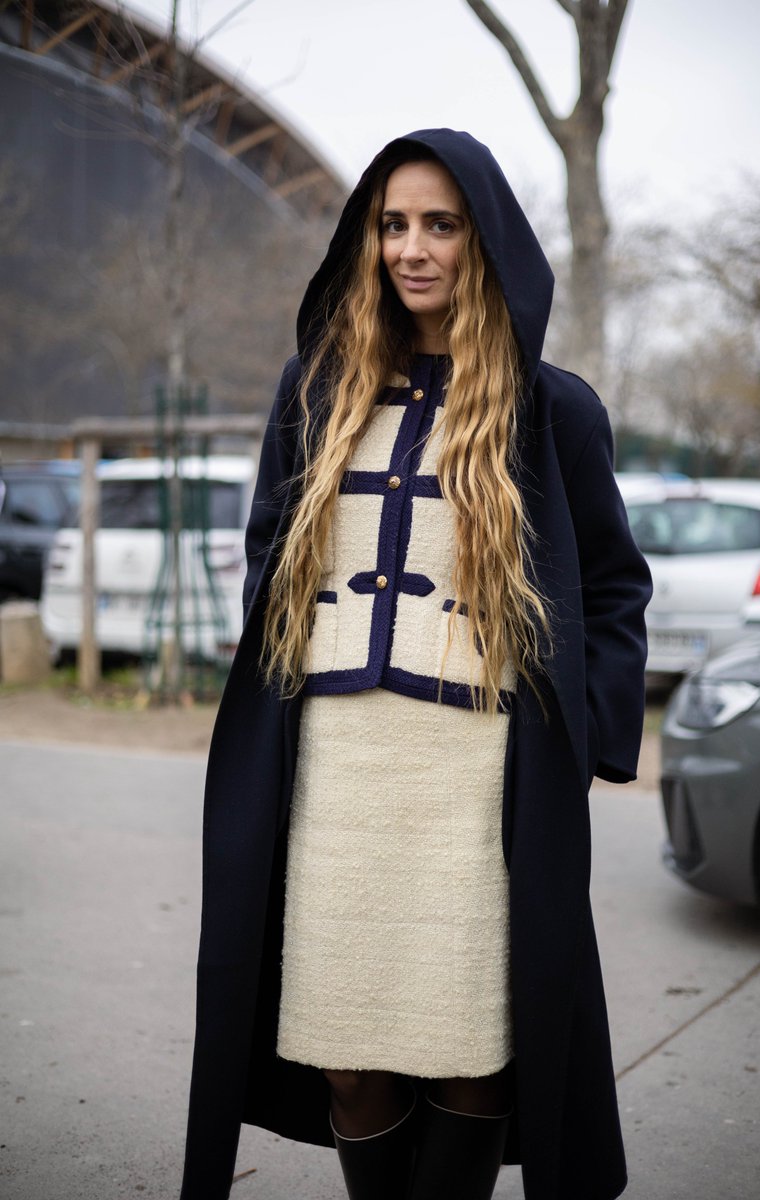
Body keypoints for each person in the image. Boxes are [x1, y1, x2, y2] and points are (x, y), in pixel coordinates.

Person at [179, 129, 652, 1200]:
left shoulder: (553, 409)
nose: (412, 248)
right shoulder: (315, 390)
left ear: (482, 242)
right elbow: (269, 545)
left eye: (439, 224)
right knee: (344, 1055)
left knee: (473, 1058)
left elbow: (615, 588)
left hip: (471, 783)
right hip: (336, 775)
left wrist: (581, 746)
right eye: (392, 224)